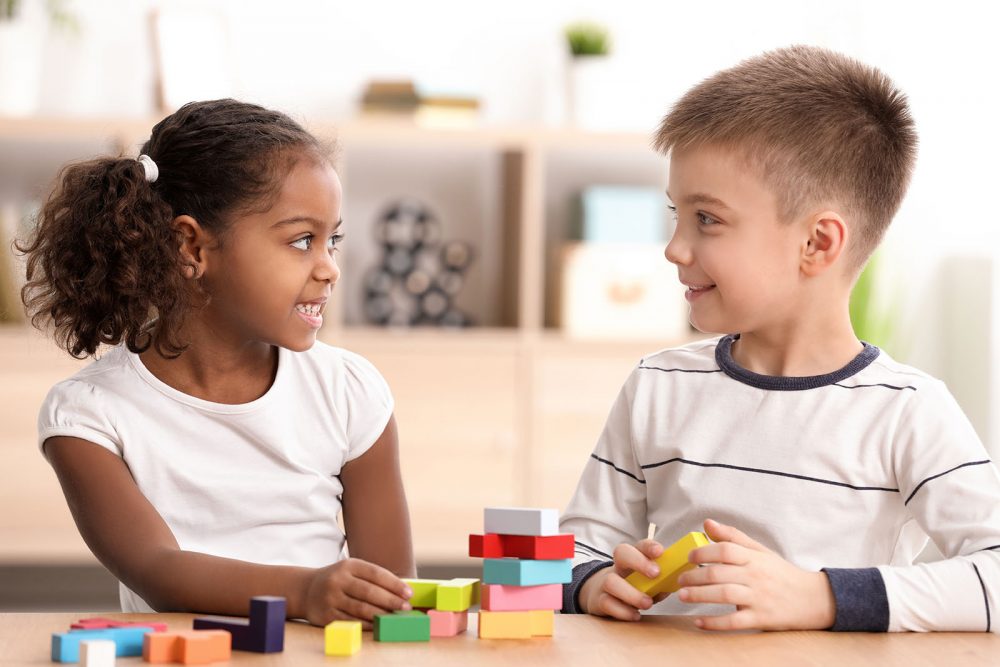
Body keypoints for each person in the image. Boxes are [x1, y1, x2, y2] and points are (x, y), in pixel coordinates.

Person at [560, 45, 1000, 633]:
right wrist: (593, 582)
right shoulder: (658, 385)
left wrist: (820, 597)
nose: (674, 248)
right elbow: (573, 548)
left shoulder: (906, 413)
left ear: (817, 244)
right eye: (676, 214)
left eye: (707, 219)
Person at [17, 99, 415, 627]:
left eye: (332, 241)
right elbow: (158, 571)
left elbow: (393, 596)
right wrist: (306, 591)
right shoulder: (89, 418)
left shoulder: (349, 392)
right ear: (192, 247)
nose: (330, 269)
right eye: (301, 241)